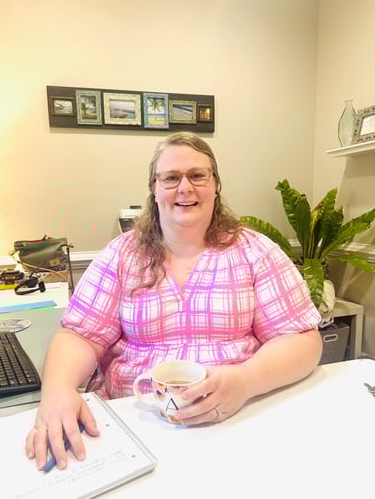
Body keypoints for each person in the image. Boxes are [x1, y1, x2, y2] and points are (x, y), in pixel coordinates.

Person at [26, 132, 322, 471]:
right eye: (171, 178)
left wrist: (246, 381)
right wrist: (58, 390)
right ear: (154, 188)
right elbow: (79, 336)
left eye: (198, 176)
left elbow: (302, 338)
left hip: (239, 419)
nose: (185, 188)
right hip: (133, 425)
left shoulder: (255, 250)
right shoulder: (121, 254)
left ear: (215, 185)